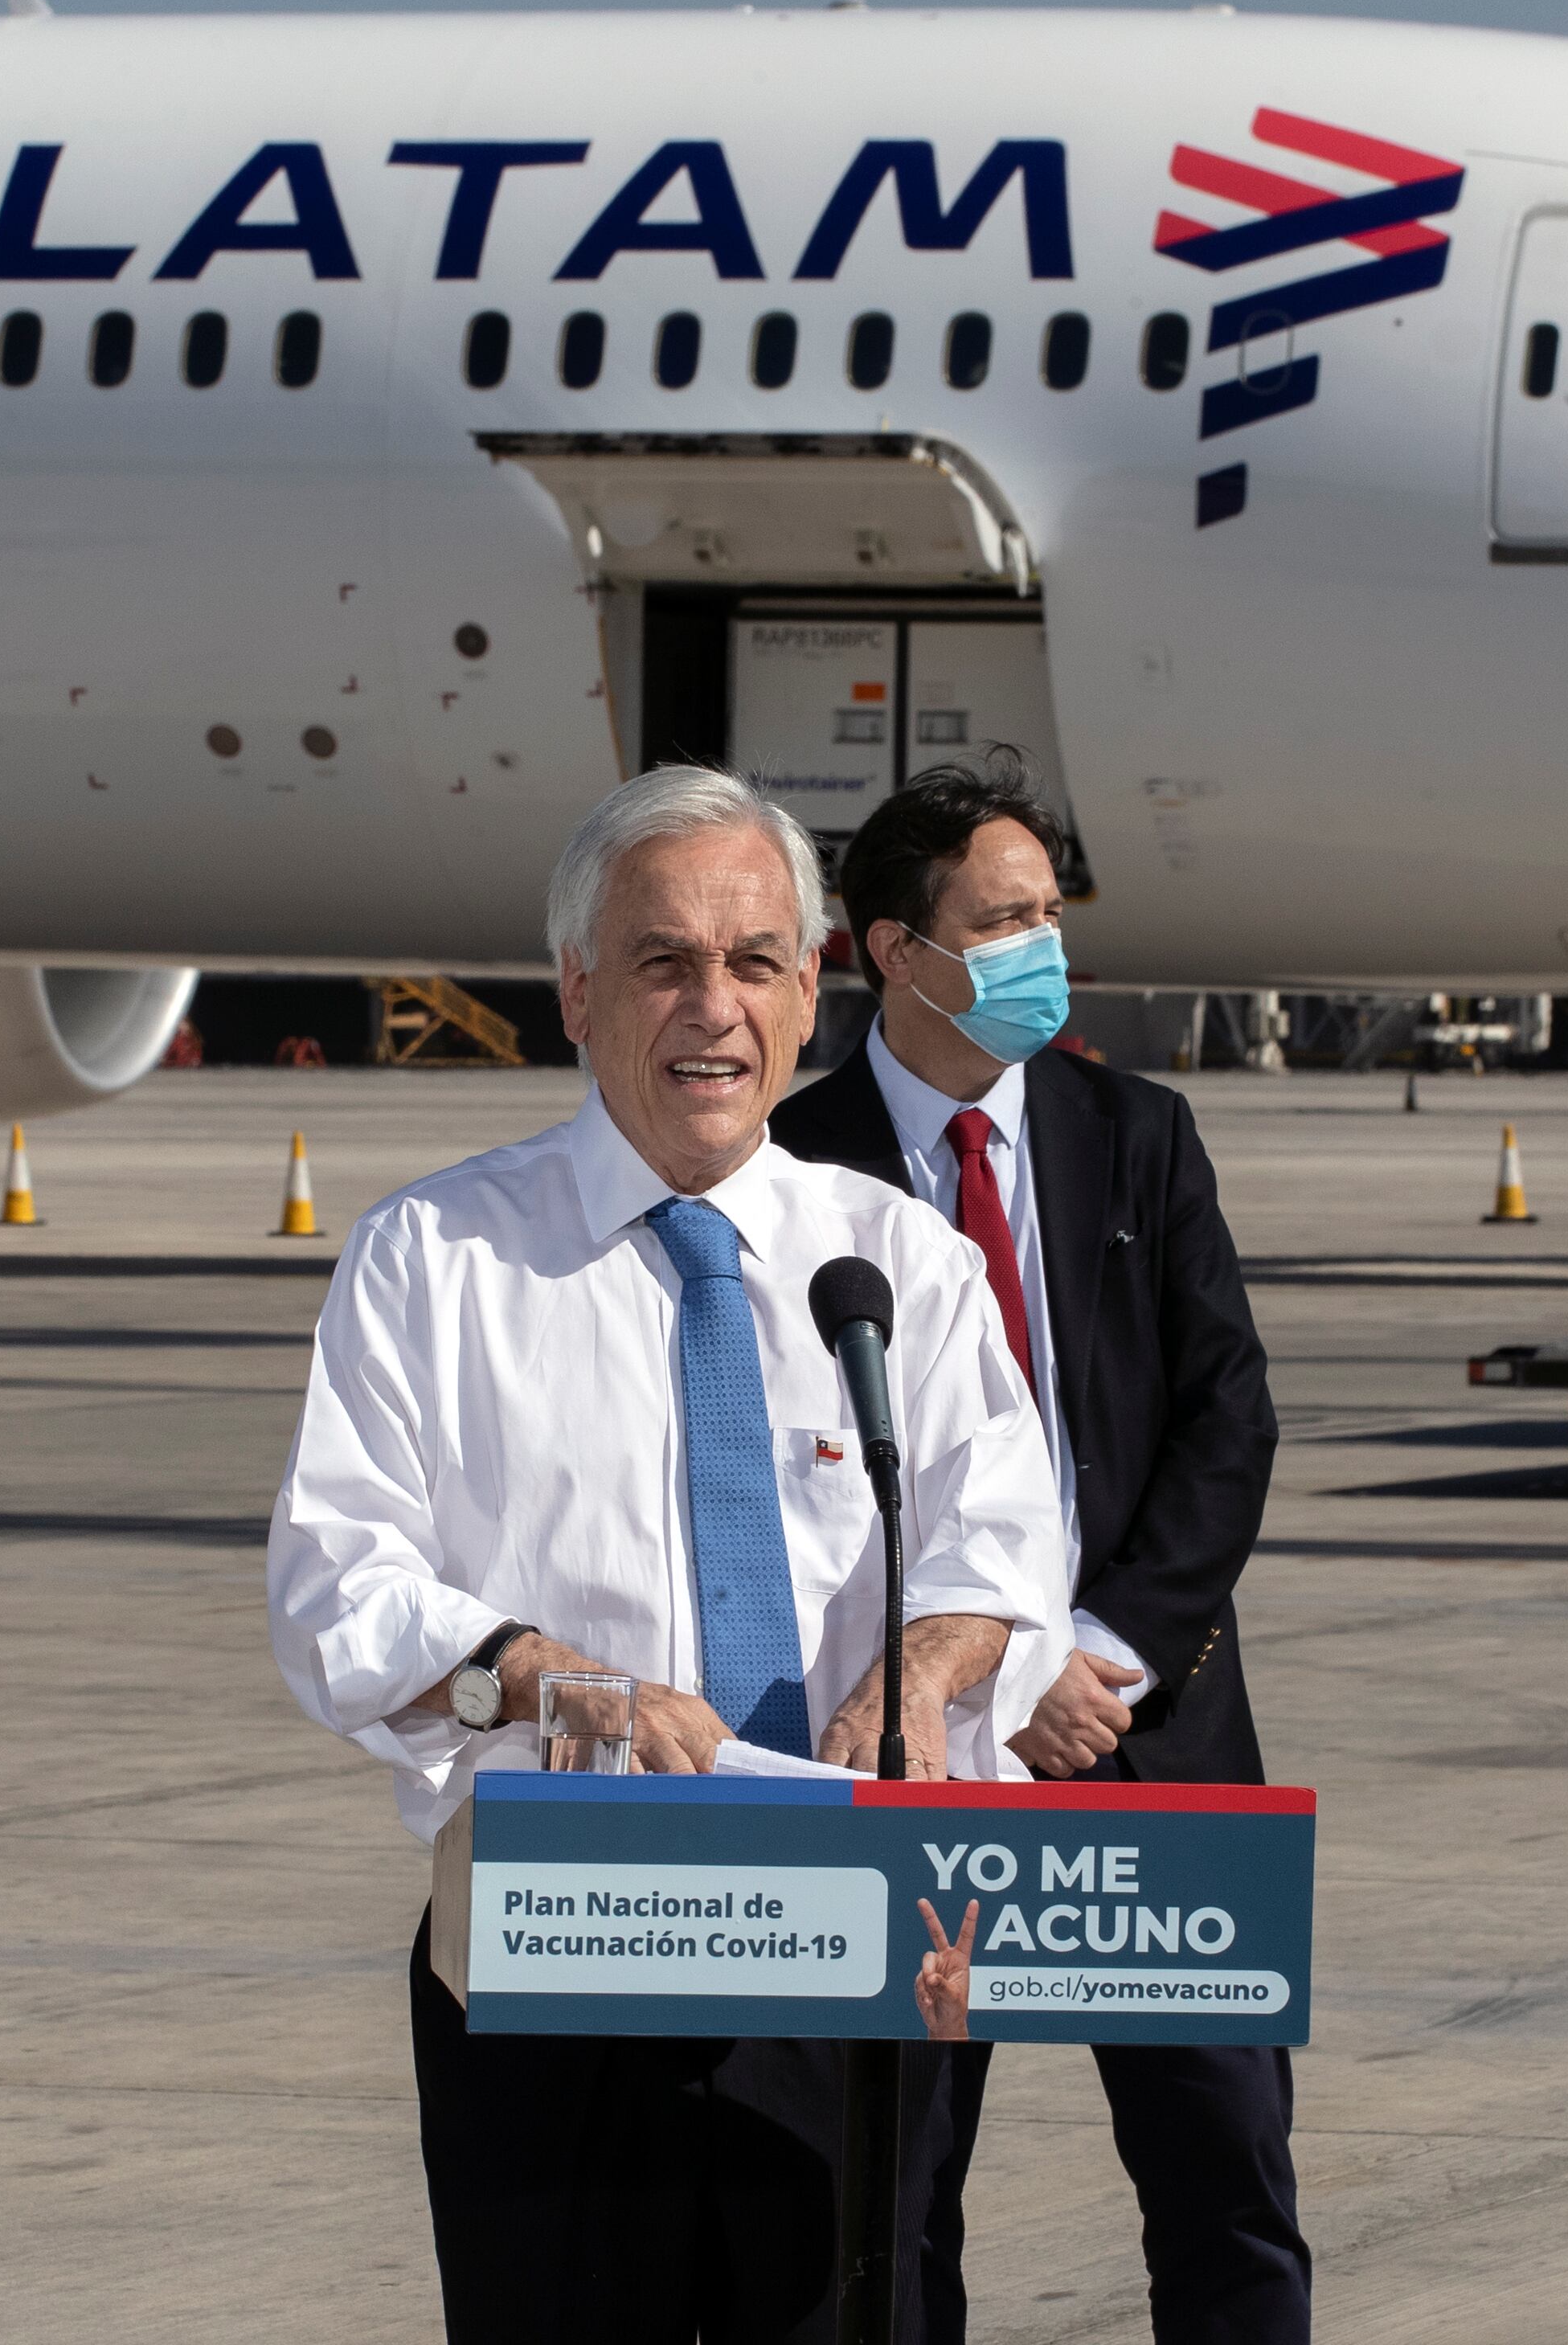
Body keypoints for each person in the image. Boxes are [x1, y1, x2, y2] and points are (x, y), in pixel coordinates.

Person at [264, 767, 1069, 2345]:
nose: (716, 1006)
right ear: (575, 985)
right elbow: (335, 1585)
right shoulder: (434, 1257)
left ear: (813, 984)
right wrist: (549, 1678)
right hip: (560, 1936)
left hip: (849, 1943)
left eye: (756, 959)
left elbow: (1003, 1537)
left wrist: (930, 1665)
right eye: (663, 959)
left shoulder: (895, 1258)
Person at [771, 759, 1308, 2345]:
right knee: (893, 2183)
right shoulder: (793, 1173)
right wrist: (986, 1680)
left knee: (1226, 2170)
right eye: (999, 919)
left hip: (1152, 1728)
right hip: (919, 1750)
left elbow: (1229, 1423)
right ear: (894, 948)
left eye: (1046, 915)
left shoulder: (1135, 1134)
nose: (1037, 946)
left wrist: (1102, 1655)